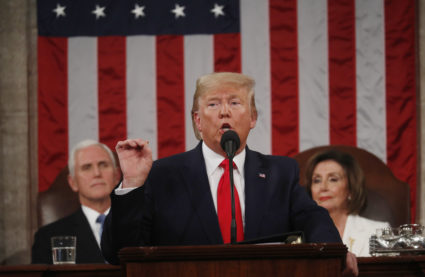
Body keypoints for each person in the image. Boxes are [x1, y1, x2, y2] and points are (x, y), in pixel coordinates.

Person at [101, 72, 358, 275]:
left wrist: (335, 252)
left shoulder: (281, 172)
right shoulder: (162, 175)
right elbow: (117, 253)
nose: (225, 111)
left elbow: (314, 220)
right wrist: (133, 183)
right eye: (213, 104)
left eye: (235, 102)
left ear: (253, 118)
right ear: (198, 121)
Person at [32, 139, 120, 264]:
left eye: (103, 165)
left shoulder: (143, 226)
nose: (97, 173)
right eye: (86, 167)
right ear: (73, 182)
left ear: (116, 176)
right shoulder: (47, 237)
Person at [304, 149, 390, 257]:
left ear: (351, 189)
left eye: (333, 179)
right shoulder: (299, 235)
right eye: (317, 180)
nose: (323, 187)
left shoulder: (377, 232)